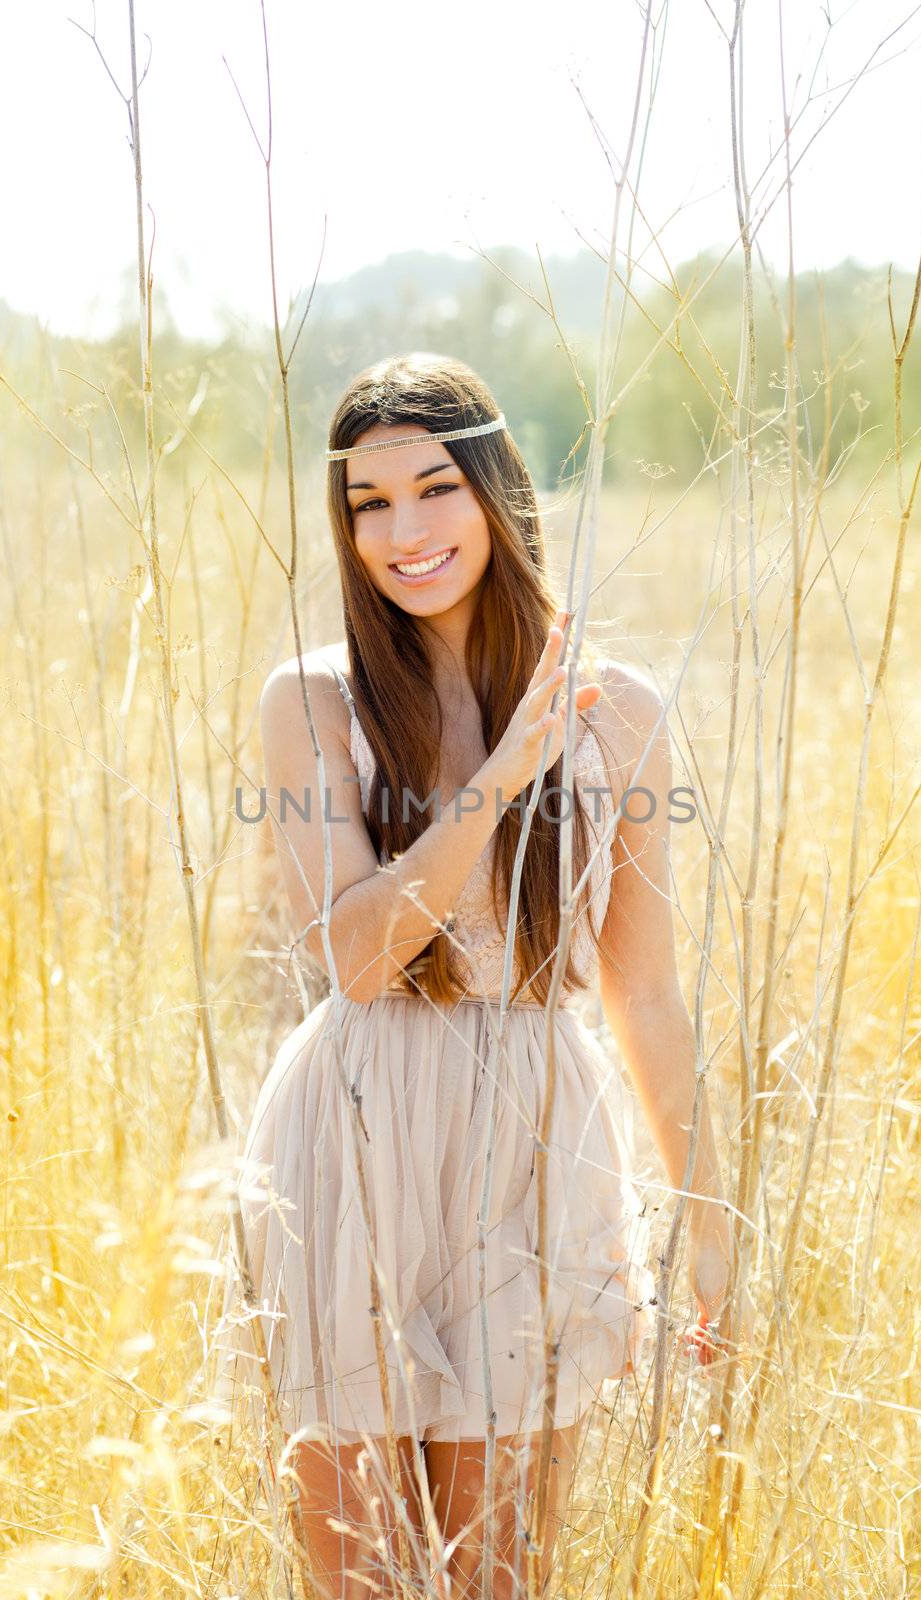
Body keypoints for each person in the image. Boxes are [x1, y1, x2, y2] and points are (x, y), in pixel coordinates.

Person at [211, 352, 741, 1599]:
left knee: (499, 1574)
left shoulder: (622, 711)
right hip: (352, 1138)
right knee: (360, 1578)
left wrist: (709, 1221)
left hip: (534, 1141)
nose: (403, 533)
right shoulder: (316, 701)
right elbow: (355, 955)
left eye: (433, 488)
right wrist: (501, 775)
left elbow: (641, 996)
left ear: (495, 490)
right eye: (368, 504)